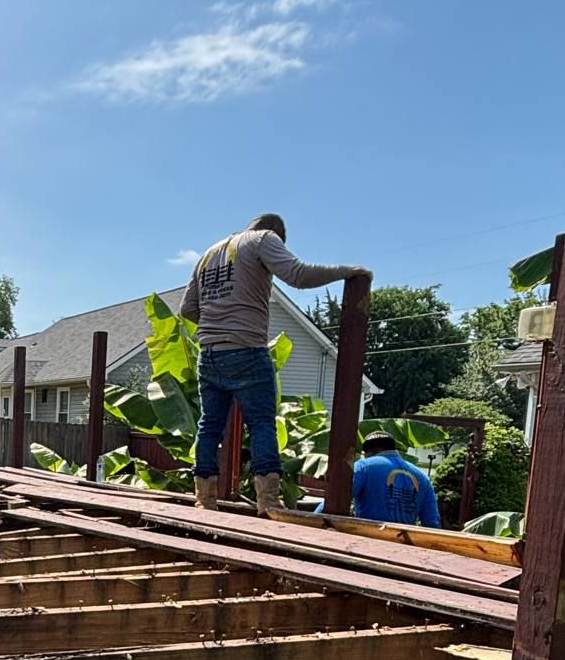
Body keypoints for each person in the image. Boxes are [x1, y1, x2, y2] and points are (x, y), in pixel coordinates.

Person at [180, 213, 370, 514]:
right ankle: (267, 501)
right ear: (277, 237)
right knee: (261, 424)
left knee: (209, 426)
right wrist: (348, 272)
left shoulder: (209, 254)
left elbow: (187, 309)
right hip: (246, 350)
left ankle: (205, 500)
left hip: (209, 354)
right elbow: (298, 274)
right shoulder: (263, 241)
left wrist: (218, 324)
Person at [352, 432, 442, 528]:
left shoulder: (363, 466)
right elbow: (432, 523)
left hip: (367, 538)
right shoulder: (423, 478)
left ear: (367, 452)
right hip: (403, 540)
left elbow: (339, 498)